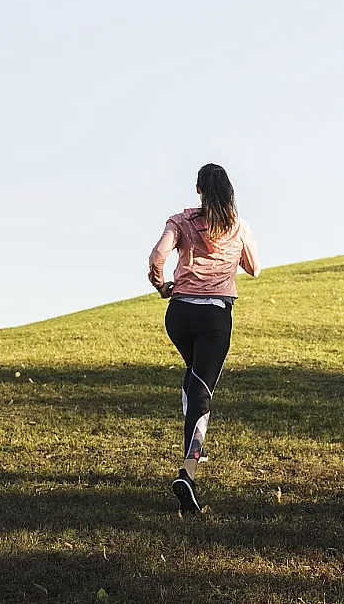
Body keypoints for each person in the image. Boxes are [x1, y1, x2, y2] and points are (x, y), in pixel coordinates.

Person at [148, 163, 260, 514]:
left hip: (178, 314)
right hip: (214, 317)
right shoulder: (238, 227)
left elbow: (157, 256)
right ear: (228, 192)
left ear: (198, 189)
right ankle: (189, 471)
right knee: (202, 393)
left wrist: (160, 284)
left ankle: (190, 450)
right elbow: (255, 268)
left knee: (194, 375)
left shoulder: (180, 221)